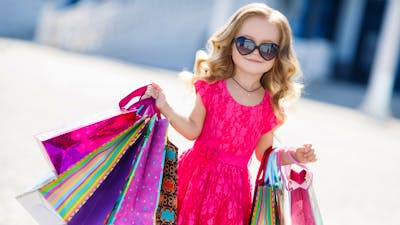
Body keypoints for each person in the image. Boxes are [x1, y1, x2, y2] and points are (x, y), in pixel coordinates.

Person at [144, 3, 317, 225]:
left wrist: (294, 155)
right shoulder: (212, 87)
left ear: (278, 56)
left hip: (233, 194)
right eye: (245, 44)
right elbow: (192, 128)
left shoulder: (268, 105)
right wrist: (165, 106)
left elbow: (264, 154)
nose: (255, 53)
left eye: (267, 48)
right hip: (194, 179)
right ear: (231, 42)